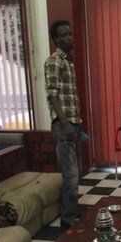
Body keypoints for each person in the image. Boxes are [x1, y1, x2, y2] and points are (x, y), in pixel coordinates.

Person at [45, 19, 84, 227]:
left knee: (77, 173)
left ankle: (72, 214)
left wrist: (76, 124)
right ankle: (68, 222)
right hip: (64, 126)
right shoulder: (54, 61)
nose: (69, 37)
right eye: (64, 35)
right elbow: (52, 95)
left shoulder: (68, 61)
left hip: (73, 123)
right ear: (56, 39)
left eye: (70, 33)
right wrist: (66, 124)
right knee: (71, 177)